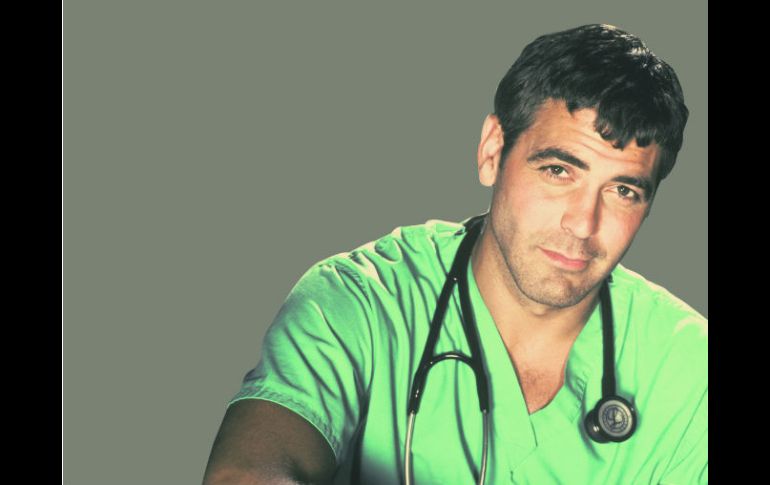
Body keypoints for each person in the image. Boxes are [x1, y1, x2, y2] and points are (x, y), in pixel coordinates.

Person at [202, 24, 707, 485]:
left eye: (623, 191)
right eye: (558, 171)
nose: (583, 223)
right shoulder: (361, 303)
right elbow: (243, 475)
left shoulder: (687, 367)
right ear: (492, 151)